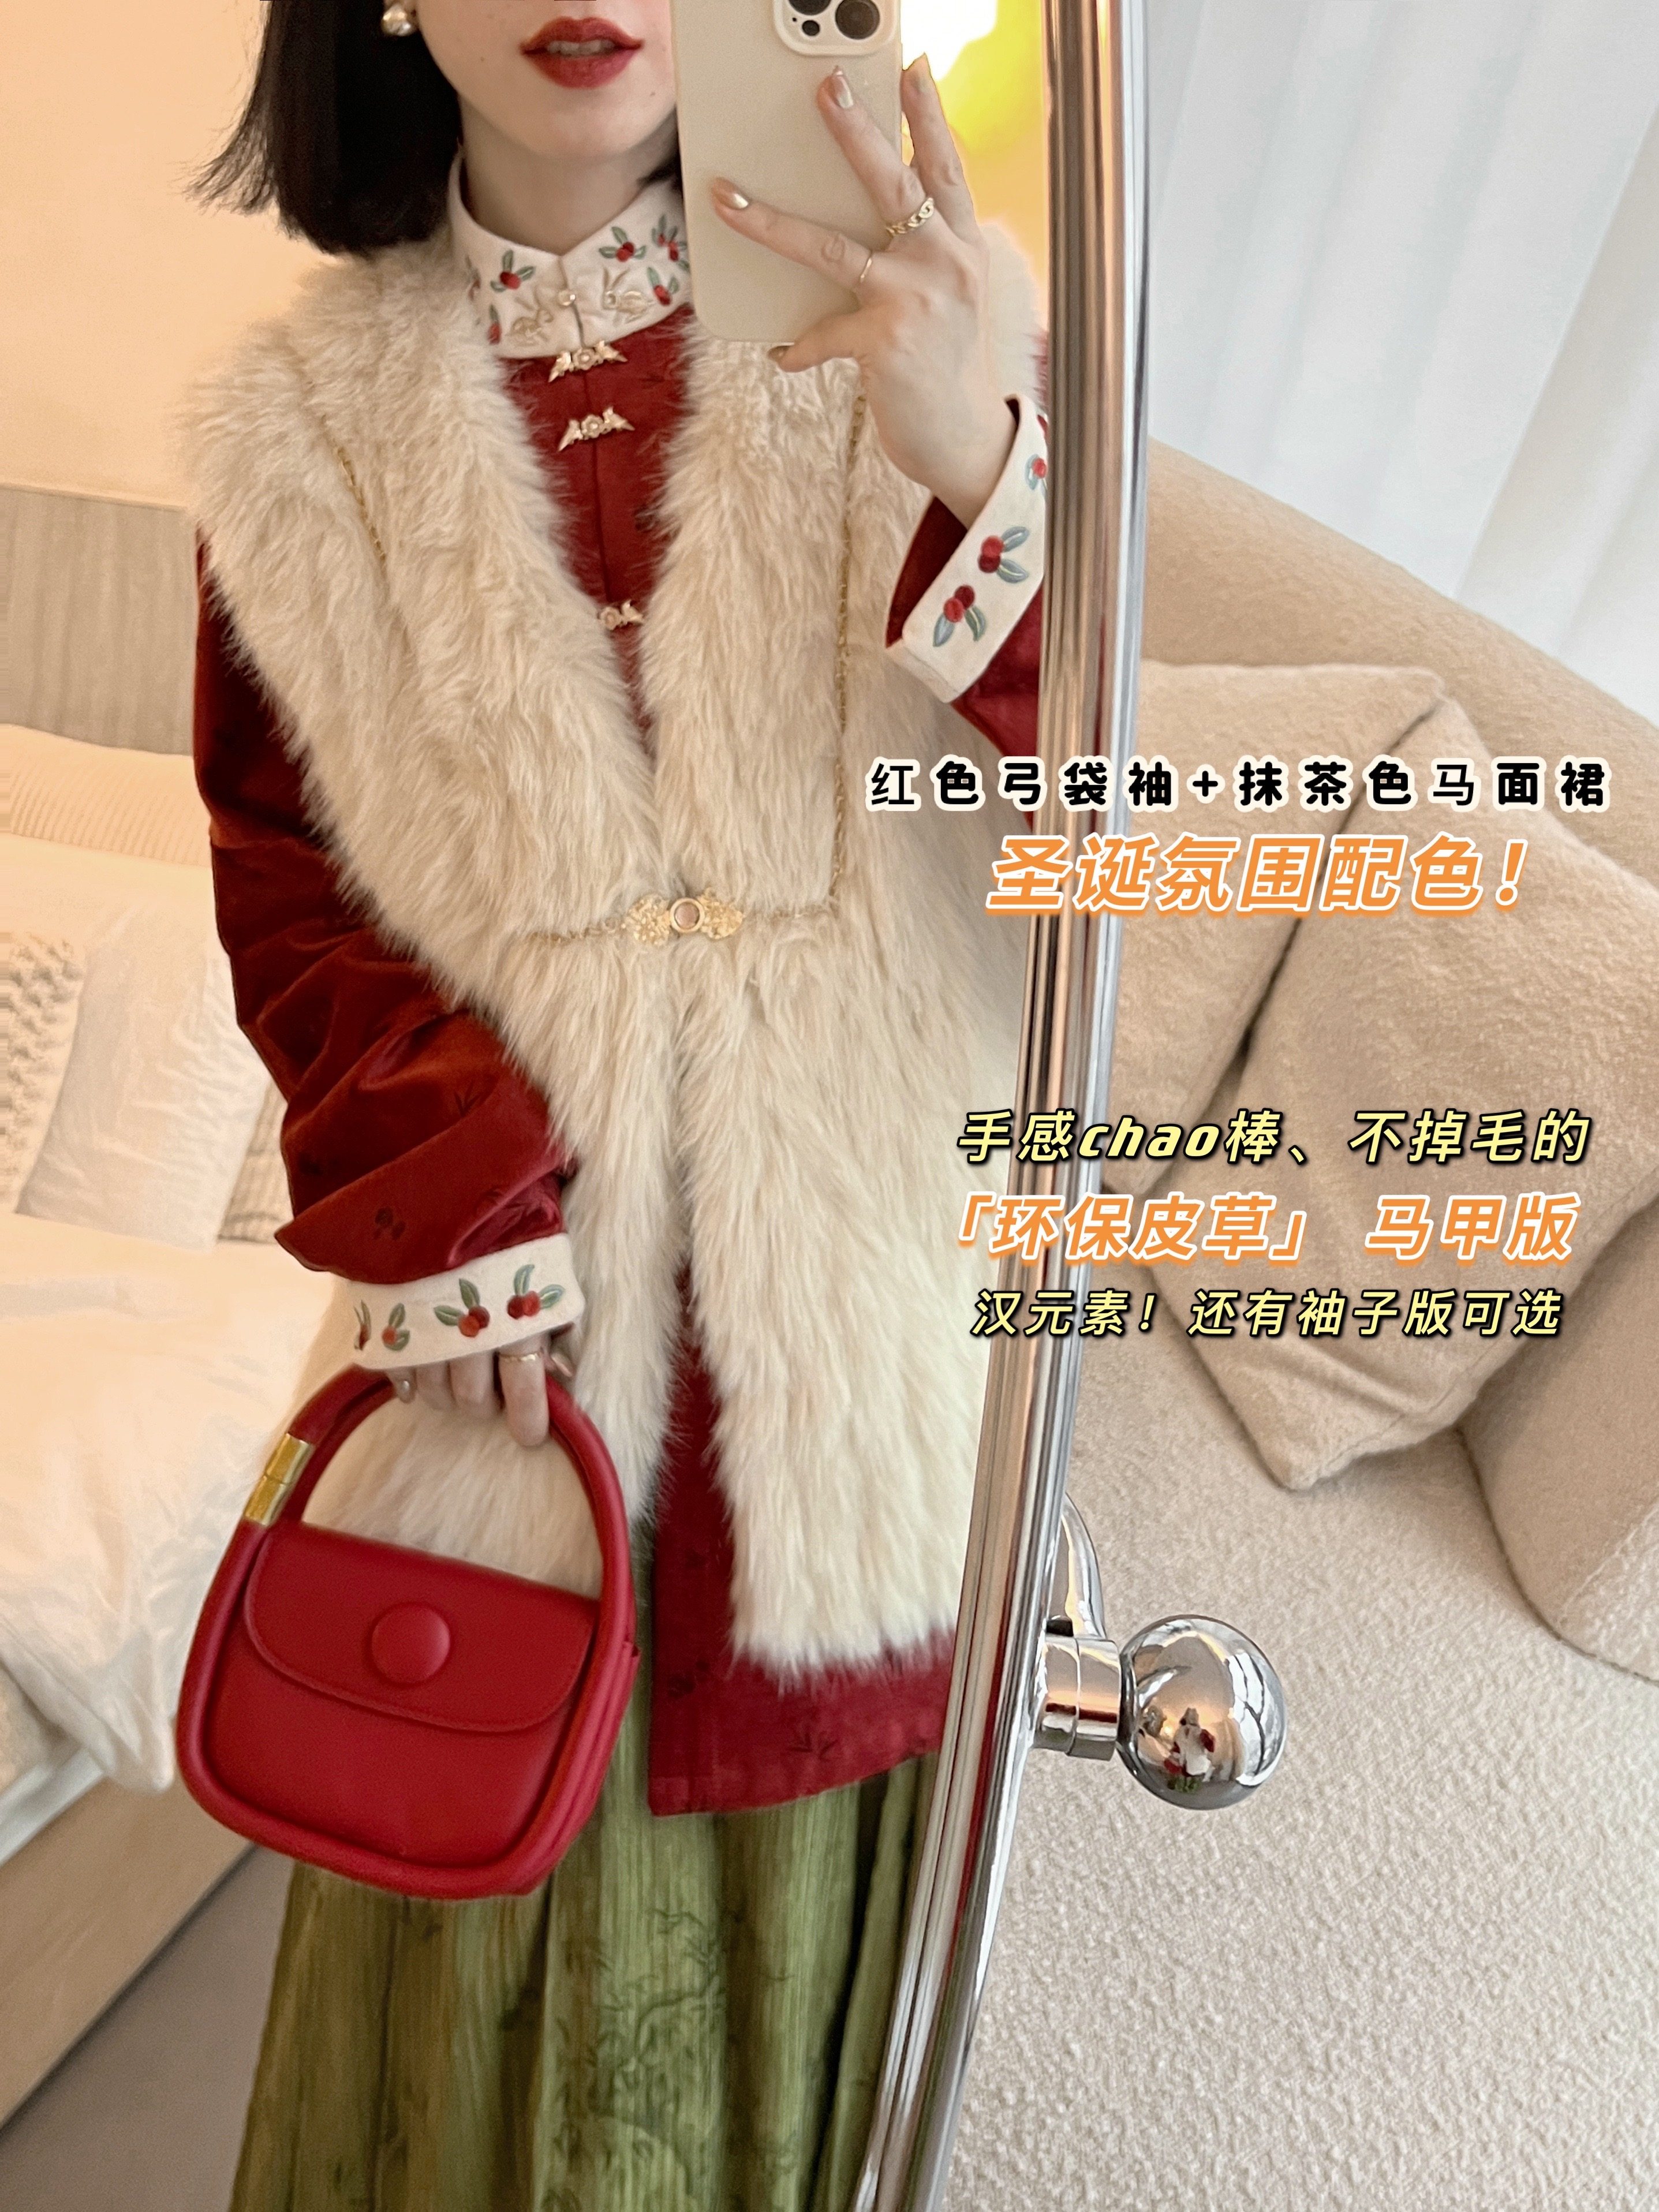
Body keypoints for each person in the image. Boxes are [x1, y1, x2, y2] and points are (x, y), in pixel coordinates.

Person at [187, 2, 1048, 2203]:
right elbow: (288, 881)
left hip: (841, 1378)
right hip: (502, 1383)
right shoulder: (292, 428)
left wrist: (979, 467)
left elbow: (1113, 840)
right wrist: (451, 1201)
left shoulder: (939, 320)